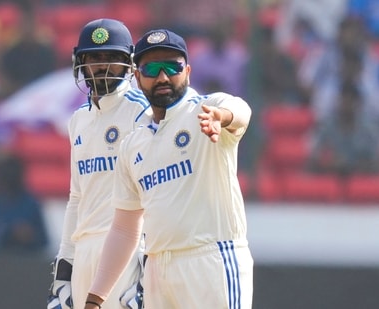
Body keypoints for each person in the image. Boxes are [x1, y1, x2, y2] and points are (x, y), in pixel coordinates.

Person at [84, 29, 254, 309]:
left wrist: (221, 118)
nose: (162, 77)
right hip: (157, 270)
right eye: (151, 68)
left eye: (171, 67)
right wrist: (95, 298)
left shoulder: (205, 110)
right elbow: (125, 230)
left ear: (187, 70)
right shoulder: (132, 145)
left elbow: (240, 110)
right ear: (137, 78)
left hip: (211, 261)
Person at [47, 19, 151, 309]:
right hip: (84, 251)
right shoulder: (78, 120)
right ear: (80, 63)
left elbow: (155, 196)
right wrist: (63, 270)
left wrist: (147, 271)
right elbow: (77, 199)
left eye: (112, 58)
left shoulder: (141, 111)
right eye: (94, 58)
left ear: (129, 63)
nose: (102, 66)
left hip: (127, 251)